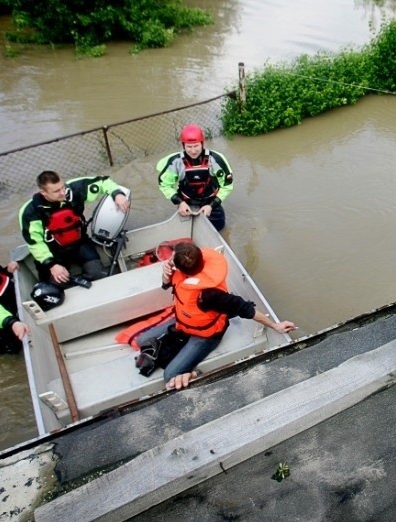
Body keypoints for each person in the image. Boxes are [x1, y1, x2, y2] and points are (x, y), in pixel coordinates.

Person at [135, 241, 296, 390]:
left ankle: (195, 373)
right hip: (183, 321)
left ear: (179, 267)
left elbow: (247, 309)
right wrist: (165, 275)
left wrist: (275, 326)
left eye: (172, 258)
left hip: (206, 336)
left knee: (170, 376)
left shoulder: (211, 296)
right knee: (141, 341)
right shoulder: (179, 273)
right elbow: (165, 285)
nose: (169, 260)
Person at [19, 170, 130, 286]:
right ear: (43, 192)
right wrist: (51, 265)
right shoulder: (30, 212)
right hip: (54, 252)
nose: (63, 192)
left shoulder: (74, 190)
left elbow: (103, 181)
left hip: (80, 243)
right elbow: (35, 243)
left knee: (98, 273)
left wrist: (117, 194)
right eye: (57, 191)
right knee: (55, 287)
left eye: (63, 187)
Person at [156, 123, 234, 231]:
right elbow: (165, 185)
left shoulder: (216, 159)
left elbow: (227, 185)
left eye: (196, 146)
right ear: (183, 146)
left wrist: (211, 205)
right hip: (186, 204)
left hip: (211, 203)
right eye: (189, 146)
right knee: (187, 233)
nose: (193, 151)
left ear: (202, 143)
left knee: (220, 229)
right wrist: (180, 203)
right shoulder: (174, 162)